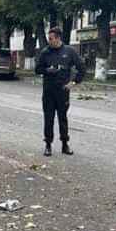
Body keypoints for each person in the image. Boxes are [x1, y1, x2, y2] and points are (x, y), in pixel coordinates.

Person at [35, 27, 85, 157]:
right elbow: (37, 69)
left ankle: (65, 144)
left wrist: (73, 82)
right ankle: (48, 145)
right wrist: (47, 70)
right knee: (48, 118)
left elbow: (81, 68)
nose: (49, 40)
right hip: (48, 91)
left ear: (57, 38)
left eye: (51, 38)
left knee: (63, 118)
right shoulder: (45, 52)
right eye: (48, 38)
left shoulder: (69, 51)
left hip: (63, 91)